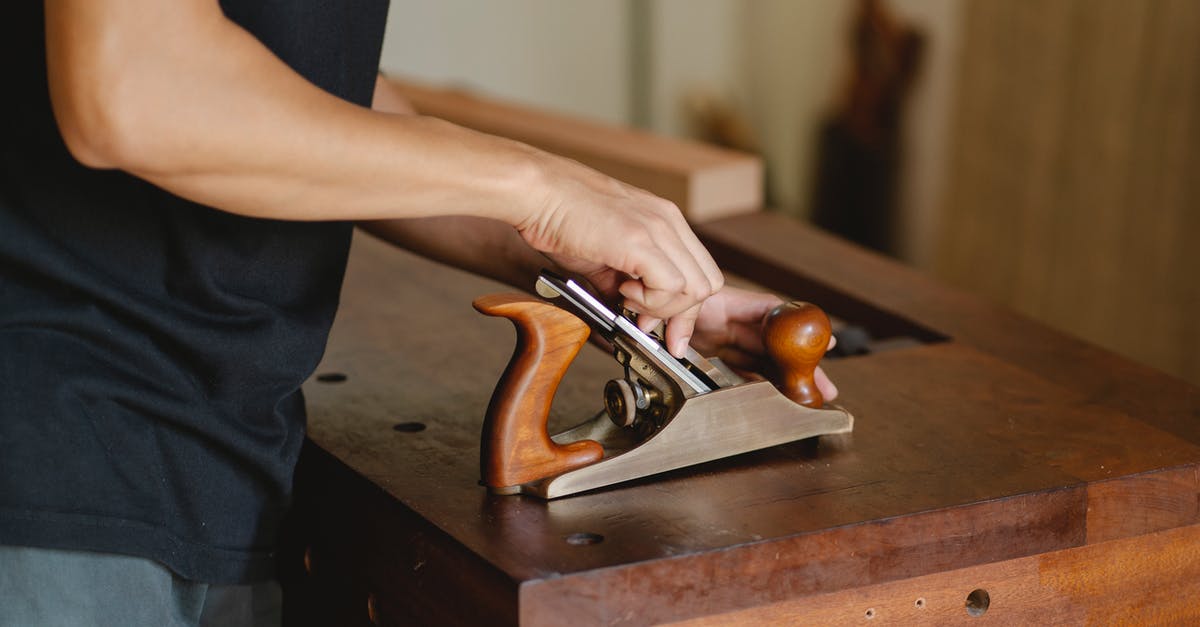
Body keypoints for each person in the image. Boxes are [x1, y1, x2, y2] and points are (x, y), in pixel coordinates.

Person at [0, 1, 836, 625]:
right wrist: (540, 186)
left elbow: (309, 92)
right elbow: (140, 87)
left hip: (213, 454)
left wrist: (589, 259)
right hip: (62, 457)